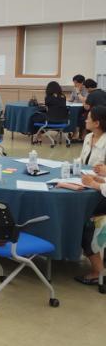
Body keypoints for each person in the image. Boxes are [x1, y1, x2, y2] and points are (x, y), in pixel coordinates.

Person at [78, 106, 106, 285]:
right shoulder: (88, 137)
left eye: (88, 118)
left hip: (99, 193)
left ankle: (98, 271)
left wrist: (96, 183)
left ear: (97, 123)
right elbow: (82, 162)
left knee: (84, 220)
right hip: (91, 185)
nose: (85, 120)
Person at [72, 75, 88, 141]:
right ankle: (75, 132)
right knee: (72, 113)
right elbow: (72, 99)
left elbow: (84, 100)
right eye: (74, 83)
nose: (74, 84)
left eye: (76, 83)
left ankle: (80, 133)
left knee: (81, 115)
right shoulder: (74, 89)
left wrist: (78, 92)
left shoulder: (86, 89)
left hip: (84, 108)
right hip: (75, 107)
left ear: (82, 83)